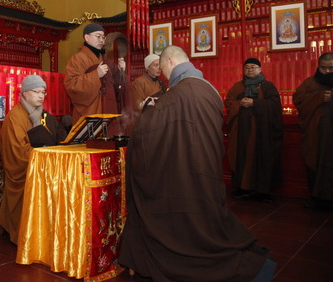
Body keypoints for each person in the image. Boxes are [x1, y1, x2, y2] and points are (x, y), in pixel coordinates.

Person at [119, 45, 276, 282]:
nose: (162, 74)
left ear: (170, 61)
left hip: (186, 175)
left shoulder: (181, 93)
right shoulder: (208, 88)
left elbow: (152, 129)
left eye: (162, 68)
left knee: (190, 225)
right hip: (207, 170)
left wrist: (149, 111)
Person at [0, 75, 67, 244]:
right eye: (37, 92)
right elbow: (19, 152)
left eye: (43, 92)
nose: (41, 96)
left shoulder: (42, 114)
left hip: (41, 162)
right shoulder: (16, 116)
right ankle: (29, 233)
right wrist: (44, 155)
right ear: (26, 93)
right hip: (23, 168)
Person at [224, 58, 283, 202]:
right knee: (241, 157)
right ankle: (242, 188)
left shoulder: (268, 86)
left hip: (262, 131)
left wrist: (254, 103)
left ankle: (262, 191)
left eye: (253, 67)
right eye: (247, 68)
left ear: (260, 69)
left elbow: (275, 105)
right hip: (242, 131)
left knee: (262, 158)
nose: (249, 70)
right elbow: (229, 102)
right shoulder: (238, 86)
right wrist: (239, 104)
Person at [64, 23, 124, 136]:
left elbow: (116, 85)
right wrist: (96, 75)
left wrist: (121, 71)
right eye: (98, 36)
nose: (101, 40)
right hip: (90, 113)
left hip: (106, 111)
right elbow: (71, 85)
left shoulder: (104, 59)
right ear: (87, 37)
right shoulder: (78, 59)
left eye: (103, 37)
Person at [293, 52, 333, 209]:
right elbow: (299, 100)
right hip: (316, 134)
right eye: (324, 68)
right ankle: (317, 198)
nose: (328, 72)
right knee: (315, 162)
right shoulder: (310, 83)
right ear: (318, 67)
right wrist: (320, 97)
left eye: (331, 68)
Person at [130, 53, 166, 127]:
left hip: (160, 119)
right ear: (147, 67)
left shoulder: (161, 83)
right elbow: (138, 106)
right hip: (146, 121)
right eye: (155, 65)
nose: (159, 68)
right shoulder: (139, 82)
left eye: (159, 65)